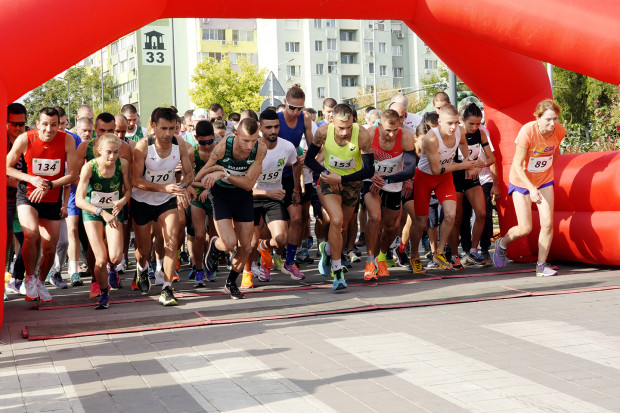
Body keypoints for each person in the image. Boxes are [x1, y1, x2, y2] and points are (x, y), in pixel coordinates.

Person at [6, 107, 78, 301]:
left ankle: (40, 281)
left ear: (59, 125)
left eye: (53, 125)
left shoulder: (67, 140)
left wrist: (50, 184)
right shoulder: (26, 139)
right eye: (45, 124)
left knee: (50, 246)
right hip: (27, 195)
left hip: (51, 197)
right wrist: (31, 178)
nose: (49, 129)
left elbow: (73, 174)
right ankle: (29, 278)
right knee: (30, 234)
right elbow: (7, 167)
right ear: (38, 124)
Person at [305, 104, 374, 290]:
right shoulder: (322, 132)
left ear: (354, 121)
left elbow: (369, 170)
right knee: (336, 220)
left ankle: (327, 250)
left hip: (352, 183)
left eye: (349, 127)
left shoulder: (363, 135)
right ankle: (337, 272)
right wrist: (327, 173)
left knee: (343, 226)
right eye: (340, 127)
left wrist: (341, 178)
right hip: (329, 180)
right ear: (331, 121)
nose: (345, 132)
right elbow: (308, 160)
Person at [493, 99, 565, 276]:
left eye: (555, 119)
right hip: (521, 181)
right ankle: (502, 243)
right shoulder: (527, 131)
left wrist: (547, 171)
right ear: (538, 118)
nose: (552, 123)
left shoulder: (559, 131)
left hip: (544, 179)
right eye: (548, 119)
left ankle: (541, 266)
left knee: (548, 223)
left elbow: (555, 151)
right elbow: (517, 165)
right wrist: (531, 188)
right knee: (525, 228)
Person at [131, 107, 194, 306]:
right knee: (144, 248)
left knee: (172, 241)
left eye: (173, 129)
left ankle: (167, 288)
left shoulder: (180, 145)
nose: (168, 134)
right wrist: (163, 187)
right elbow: (134, 179)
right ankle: (141, 268)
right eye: (163, 128)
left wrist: (182, 186)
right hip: (142, 200)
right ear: (153, 126)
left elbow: (190, 173)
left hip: (166, 201)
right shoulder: (143, 147)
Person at [199, 118, 267, 299]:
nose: (249, 145)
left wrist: (225, 174)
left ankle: (231, 282)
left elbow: (248, 184)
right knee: (229, 243)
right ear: (236, 135)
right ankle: (214, 244)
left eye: (253, 140)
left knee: (247, 245)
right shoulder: (223, 147)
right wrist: (210, 175)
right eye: (245, 140)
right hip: (221, 194)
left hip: (242, 195)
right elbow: (201, 173)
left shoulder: (260, 149)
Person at [408, 105, 481, 273]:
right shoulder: (431, 139)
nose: (453, 127)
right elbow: (435, 170)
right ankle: (414, 256)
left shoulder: (459, 131)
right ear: (439, 122)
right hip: (425, 177)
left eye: (456, 123)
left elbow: (463, 143)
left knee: (450, 215)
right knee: (421, 221)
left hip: (444, 178)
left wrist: (468, 160)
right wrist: (463, 165)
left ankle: (439, 252)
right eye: (449, 123)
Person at [75, 134, 131, 309]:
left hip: (113, 211)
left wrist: (122, 201)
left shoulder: (123, 164)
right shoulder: (89, 167)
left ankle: (112, 269)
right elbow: (79, 200)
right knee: (100, 258)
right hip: (93, 213)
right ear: (99, 151)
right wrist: (100, 211)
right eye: (108, 152)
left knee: (114, 257)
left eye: (115, 152)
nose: (112, 157)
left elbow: (129, 189)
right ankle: (104, 293)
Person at [246, 109, 299, 286]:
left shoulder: (287, 147)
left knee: (281, 239)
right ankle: (247, 272)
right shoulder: (251, 149)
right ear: (260, 128)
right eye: (268, 127)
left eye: (276, 126)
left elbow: (296, 163)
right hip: (252, 197)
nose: (273, 131)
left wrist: (296, 190)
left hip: (273, 197)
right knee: (250, 242)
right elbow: (244, 185)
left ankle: (264, 247)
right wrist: (268, 192)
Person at [363, 110, 417, 280]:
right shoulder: (370, 134)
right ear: (380, 125)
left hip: (392, 182)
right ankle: (370, 262)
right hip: (371, 180)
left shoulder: (406, 137)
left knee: (392, 226)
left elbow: (409, 169)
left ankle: (381, 257)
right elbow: (358, 160)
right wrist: (372, 176)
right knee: (375, 218)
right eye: (387, 130)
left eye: (395, 130)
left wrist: (387, 180)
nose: (391, 135)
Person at [449, 103, 495, 268]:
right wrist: (468, 165)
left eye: (478, 123)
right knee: (457, 218)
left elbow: (491, 159)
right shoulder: (454, 134)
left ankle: (473, 251)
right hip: (455, 177)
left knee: (482, 213)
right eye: (471, 124)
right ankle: (455, 254)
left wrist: (478, 165)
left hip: (472, 177)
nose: (475, 127)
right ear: (462, 120)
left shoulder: (481, 134)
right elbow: (447, 161)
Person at [277, 85, 314, 280]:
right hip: (272, 176)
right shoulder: (275, 119)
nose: (295, 112)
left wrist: (308, 157)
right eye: (292, 107)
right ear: (285, 102)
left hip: (292, 175)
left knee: (298, 218)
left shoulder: (305, 118)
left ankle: (290, 262)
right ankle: (264, 253)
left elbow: (314, 146)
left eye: (300, 108)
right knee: (274, 233)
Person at [188, 120, 218, 287]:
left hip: (216, 195)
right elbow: (188, 179)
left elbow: (224, 175)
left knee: (213, 237)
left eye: (209, 141)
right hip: (198, 196)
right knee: (199, 236)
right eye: (202, 142)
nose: (207, 146)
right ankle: (198, 270)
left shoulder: (219, 149)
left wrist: (211, 189)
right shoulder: (192, 153)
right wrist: (203, 186)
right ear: (196, 138)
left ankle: (210, 266)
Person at [5, 103, 27, 296]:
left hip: (26, 197)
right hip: (6, 196)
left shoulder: (29, 139)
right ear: (6, 122)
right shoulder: (2, 141)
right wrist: (24, 183)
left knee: (30, 237)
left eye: (21, 123)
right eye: (14, 123)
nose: (18, 128)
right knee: (5, 240)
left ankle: (20, 277)